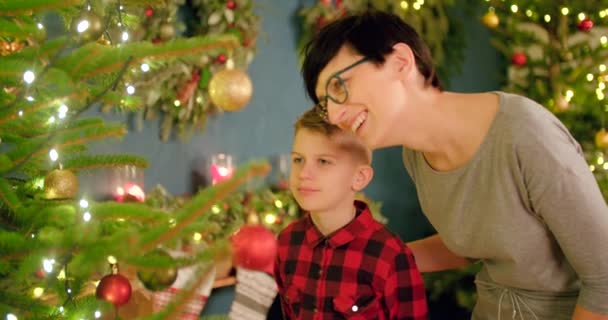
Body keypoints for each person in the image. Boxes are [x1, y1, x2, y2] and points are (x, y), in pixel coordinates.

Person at [300, 10, 608, 320]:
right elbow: (471, 243)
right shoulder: (416, 154)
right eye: (326, 105)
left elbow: (604, 280)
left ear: (400, 62)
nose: (337, 116)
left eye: (339, 87)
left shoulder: (526, 134)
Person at [274, 108, 428, 319]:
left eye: (324, 161)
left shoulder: (389, 255)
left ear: (359, 178)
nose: (304, 174)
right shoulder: (286, 242)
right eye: (298, 160)